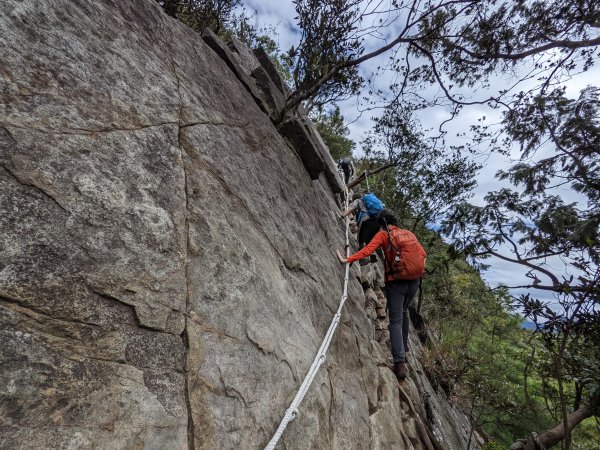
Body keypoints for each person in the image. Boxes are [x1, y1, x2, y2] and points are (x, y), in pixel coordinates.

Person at [336, 210, 426, 381]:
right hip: (414, 282)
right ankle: (404, 350)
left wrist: (348, 260)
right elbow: (423, 255)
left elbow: (368, 250)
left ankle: (399, 363)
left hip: (396, 283)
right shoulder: (408, 234)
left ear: (383, 223)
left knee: (396, 321)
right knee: (405, 311)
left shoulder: (384, 235)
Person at [338, 193, 382, 258]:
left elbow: (351, 209)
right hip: (377, 223)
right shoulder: (368, 204)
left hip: (366, 221)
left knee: (361, 240)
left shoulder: (358, 200)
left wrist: (342, 216)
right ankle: (372, 253)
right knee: (369, 240)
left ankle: (363, 259)